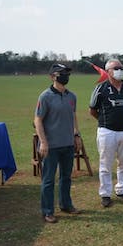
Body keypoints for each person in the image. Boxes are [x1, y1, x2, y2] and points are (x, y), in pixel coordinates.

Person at [34, 63, 82, 223]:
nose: (66, 76)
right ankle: (47, 211)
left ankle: (66, 205)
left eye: (67, 73)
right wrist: (43, 142)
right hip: (51, 146)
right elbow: (38, 120)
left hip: (68, 144)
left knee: (66, 177)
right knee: (48, 179)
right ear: (52, 76)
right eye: (62, 73)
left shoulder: (71, 96)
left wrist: (77, 135)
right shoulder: (45, 96)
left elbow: (73, 116)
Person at [89, 59, 123, 207]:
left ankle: (122, 189)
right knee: (106, 164)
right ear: (108, 71)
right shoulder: (101, 89)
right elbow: (92, 110)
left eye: (121, 68)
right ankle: (105, 194)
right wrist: (105, 121)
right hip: (107, 132)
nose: (120, 70)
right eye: (116, 68)